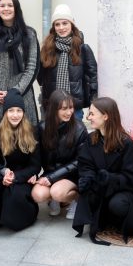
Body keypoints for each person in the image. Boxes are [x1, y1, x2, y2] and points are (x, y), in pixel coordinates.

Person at [73, 97, 133, 245]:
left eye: (91, 114)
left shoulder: (126, 143)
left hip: (121, 190)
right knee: (86, 190)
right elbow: (85, 164)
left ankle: (117, 220)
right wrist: (88, 177)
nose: (88, 117)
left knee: (118, 204)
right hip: (99, 188)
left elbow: (130, 177)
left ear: (105, 116)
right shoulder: (91, 139)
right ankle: (103, 219)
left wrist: (108, 178)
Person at [0, 89, 41, 231]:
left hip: (21, 176)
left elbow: (35, 165)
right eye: (11, 110)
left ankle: (19, 216)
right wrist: (4, 172)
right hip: (0, 172)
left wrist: (15, 177)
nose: (15, 115)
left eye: (19, 111)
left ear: (23, 112)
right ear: (5, 112)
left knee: (14, 194)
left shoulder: (32, 131)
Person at [31, 90, 88, 219]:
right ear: (53, 109)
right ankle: (55, 199)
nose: (69, 112)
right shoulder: (42, 128)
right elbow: (36, 156)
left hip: (71, 175)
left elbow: (79, 161)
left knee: (57, 192)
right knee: (37, 194)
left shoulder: (79, 128)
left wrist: (52, 178)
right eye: (64, 109)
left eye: (71, 108)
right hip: (50, 173)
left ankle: (76, 199)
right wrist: (33, 174)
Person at [37, 4, 98, 120]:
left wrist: (93, 103)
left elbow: (93, 79)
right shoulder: (47, 49)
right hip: (52, 107)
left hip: (74, 109)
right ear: (53, 27)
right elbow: (40, 77)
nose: (61, 27)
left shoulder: (83, 49)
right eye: (57, 24)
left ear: (72, 24)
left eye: (65, 23)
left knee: (74, 137)